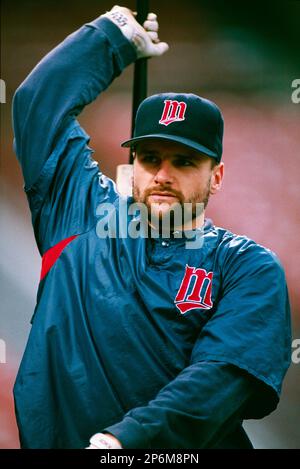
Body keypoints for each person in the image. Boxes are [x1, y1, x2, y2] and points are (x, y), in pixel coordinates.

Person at [12, 6, 291, 449]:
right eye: (150, 158)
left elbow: (220, 376)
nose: (163, 174)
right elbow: (36, 105)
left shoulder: (247, 267)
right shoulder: (79, 211)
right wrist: (109, 38)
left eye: (183, 162)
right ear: (132, 166)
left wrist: (123, 441)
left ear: (216, 176)